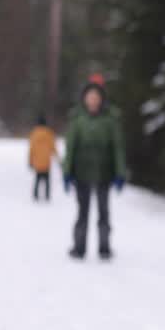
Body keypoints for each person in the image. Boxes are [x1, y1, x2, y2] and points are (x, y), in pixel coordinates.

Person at [62, 74, 127, 260]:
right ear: (84, 99)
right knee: (82, 212)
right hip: (81, 173)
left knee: (104, 212)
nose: (93, 100)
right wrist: (67, 172)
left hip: (104, 173)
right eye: (90, 96)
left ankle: (104, 248)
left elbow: (118, 148)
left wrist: (120, 172)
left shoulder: (110, 120)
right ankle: (79, 247)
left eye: (96, 97)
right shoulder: (77, 120)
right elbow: (70, 148)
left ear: (101, 99)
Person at [27, 114, 58, 201]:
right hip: (46, 161)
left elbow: (31, 149)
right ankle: (47, 195)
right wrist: (57, 156)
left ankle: (35, 195)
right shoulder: (49, 133)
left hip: (37, 161)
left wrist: (30, 160)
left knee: (37, 179)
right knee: (47, 180)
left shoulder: (34, 133)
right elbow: (53, 146)